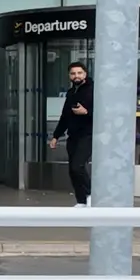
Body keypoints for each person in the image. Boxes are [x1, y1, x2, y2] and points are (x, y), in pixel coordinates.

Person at [47, 62, 93, 205]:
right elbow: (65, 116)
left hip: (88, 134)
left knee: (77, 166)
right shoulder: (71, 92)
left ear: (85, 74)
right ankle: (81, 201)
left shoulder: (93, 90)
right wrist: (55, 136)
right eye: (73, 73)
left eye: (79, 73)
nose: (76, 76)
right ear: (69, 76)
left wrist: (86, 112)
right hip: (73, 136)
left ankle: (91, 195)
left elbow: (103, 113)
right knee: (72, 170)